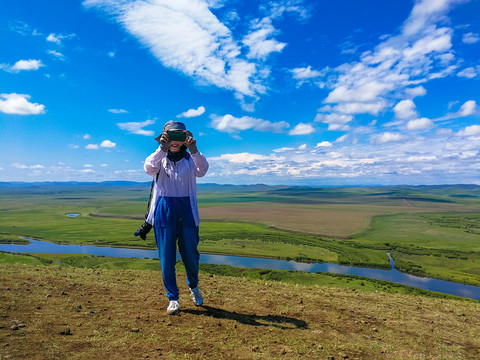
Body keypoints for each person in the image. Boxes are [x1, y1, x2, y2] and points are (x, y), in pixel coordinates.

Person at [143, 120, 209, 315]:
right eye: (170, 136)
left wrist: (195, 150)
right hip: (164, 208)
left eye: (179, 136)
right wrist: (161, 149)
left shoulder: (191, 160)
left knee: (191, 254)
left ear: (185, 138)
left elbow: (203, 170)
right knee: (167, 257)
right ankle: (172, 297)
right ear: (164, 138)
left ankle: (193, 285)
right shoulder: (159, 158)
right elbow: (148, 168)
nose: (174, 141)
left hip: (187, 208)